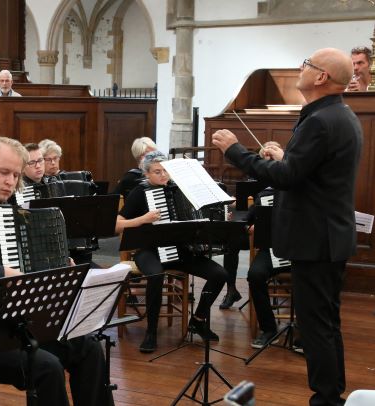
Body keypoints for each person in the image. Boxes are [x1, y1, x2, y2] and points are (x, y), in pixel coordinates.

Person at [212, 48, 362, 406]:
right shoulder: (338, 114)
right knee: (325, 323)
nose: (301, 67)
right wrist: (287, 157)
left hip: (316, 238)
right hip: (329, 235)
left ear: (322, 76)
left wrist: (235, 151)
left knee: (316, 327)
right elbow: (308, 171)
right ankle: (332, 396)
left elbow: (286, 178)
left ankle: (325, 399)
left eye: (307, 64)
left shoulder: (319, 120)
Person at [0, 136, 113, 406]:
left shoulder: (0, 208)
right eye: (3, 172)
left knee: (86, 347)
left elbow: (25, 267)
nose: (10, 181)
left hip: (0, 326)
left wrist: (59, 267)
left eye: (16, 175)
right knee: (46, 367)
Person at [115, 150, 228, 353]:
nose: (163, 176)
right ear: (147, 174)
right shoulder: (140, 193)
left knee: (219, 274)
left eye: (165, 171)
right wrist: (142, 220)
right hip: (149, 251)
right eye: (157, 172)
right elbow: (116, 224)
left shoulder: (181, 190)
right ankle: (151, 332)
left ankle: (199, 320)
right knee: (156, 275)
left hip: (180, 251)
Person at [218, 141, 282, 310]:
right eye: (264, 156)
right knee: (231, 242)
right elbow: (246, 208)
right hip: (253, 227)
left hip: (276, 235)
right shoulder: (255, 180)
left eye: (271, 155)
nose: (267, 158)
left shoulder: (285, 178)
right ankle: (231, 289)